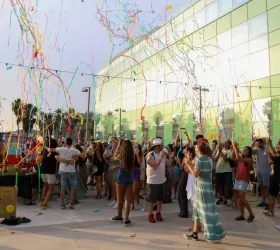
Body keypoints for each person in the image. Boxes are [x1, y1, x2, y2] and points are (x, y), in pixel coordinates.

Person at [184, 141, 225, 242]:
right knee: (198, 212)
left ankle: (213, 235)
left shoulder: (201, 160)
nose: (194, 149)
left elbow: (195, 174)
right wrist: (189, 160)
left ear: (199, 149)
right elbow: (193, 164)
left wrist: (189, 164)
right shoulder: (208, 159)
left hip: (202, 189)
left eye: (196, 147)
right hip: (206, 187)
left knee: (205, 212)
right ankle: (195, 234)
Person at [49, 137, 85, 209]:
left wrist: (47, 147)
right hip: (71, 171)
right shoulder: (75, 150)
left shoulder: (61, 149)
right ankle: (71, 203)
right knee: (73, 188)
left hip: (63, 170)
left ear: (66, 143)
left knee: (63, 188)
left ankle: (62, 204)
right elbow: (83, 156)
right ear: (72, 143)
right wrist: (84, 149)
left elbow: (51, 150)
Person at [146, 137, 173, 223]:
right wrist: (161, 158)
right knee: (151, 199)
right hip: (152, 181)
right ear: (156, 146)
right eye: (161, 145)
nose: (162, 147)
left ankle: (158, 212)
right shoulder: (150, 155)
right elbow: (154, 166)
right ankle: (150, 214)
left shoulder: (162, 154)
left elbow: (169, 164)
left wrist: (171, 157)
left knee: (160, 198)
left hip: (162, 180)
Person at [111, 140, 134, 226]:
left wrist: (118, 145)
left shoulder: (121, 155)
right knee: (128, 199)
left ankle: (119, 216)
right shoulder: (132, 155)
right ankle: (126, 218)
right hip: (129, 177)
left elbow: (114, 156)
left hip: (121, 177)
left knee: (119, 198)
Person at [231, 142, 255, 222]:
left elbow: (239, 159)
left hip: (243, 181)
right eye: (243, 149)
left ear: (249, 152)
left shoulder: (249, 160)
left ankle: (251, 214)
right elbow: (232, 157)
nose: (244, 151)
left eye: (246, 150)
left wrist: (235, 147)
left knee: (242, 198)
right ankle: (242, 215)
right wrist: (234, 149)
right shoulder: (241, 157)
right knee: (239, 199)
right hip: (238, 180)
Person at [252, 138, 270, 207]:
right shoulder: (257, 150)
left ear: (262, 143)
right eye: (257, 144)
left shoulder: (267, 149)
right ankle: (264, 201)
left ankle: (269, 203)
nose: (258, 145)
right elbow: (249, 150)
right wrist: (253, 142)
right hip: (258, 171)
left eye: (259, 143)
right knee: (262, 187)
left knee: (266, 187)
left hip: (266, 171)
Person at [264, 138, 280, 216]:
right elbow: (270, 162)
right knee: (272, 194)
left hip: (277, 177)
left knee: (273, 195)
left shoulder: (277, 153)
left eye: (278, 144)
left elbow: (273, 154)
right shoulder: (277, 154)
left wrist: (269, 143)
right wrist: (269, 154)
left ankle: (271, 211)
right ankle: (271, 211)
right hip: (275, 177)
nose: (277, 145)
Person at [178, 147, 195, 218]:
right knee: (181, 192)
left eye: (185, 149)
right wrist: (179, 161)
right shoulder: (185, 158)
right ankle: (183, 211)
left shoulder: (191, 158)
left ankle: (184, 212)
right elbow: (182, 167)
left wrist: (188, 161)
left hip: (187, 176)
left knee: (183, 193)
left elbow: (188, 169)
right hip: (183, 175)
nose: (183, 150)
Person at [40, 139, 58, 208]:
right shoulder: (54, 152)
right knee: (51, 189)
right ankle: (44, 203)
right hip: (50, 172)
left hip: (43, 170)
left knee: (45, 186)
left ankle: (42, 200)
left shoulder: (44, 150)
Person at [215, 140, 233, 206]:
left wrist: (220, 152)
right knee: (219, 185)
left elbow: (226, 160)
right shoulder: (220, 150)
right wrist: (219, 151)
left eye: (227, 143)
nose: (225, 144)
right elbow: (215, 159)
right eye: (225, 143)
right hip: (218, 170)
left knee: (226, 186)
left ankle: (225, 199)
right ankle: (220, 198)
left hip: (227, 171)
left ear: (229, 145)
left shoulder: (230, 152)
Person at [132, 143, 144, 210]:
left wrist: (136, 154)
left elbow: (139, 162)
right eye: (134, 146)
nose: (135, 148)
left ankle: (138, 204)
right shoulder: (131, 153)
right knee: (131, 191)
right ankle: (132, 205)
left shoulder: (140, 153)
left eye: (136, 147)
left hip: (137, 171)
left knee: (135, 190)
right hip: (131, 172)